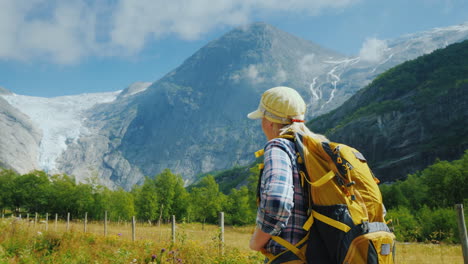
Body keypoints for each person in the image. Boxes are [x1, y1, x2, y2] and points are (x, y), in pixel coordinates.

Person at [247, 86, 328, 263]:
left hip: (290, 256)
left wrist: (256, 241)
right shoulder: (319, 149)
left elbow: (278, 201)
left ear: (269, 122)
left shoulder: (279, 147)